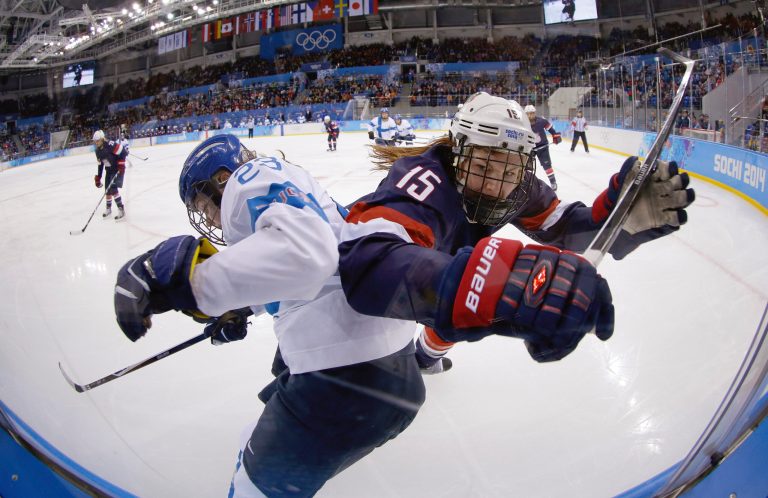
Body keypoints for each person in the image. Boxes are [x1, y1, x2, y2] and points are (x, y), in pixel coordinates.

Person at [112, 134, 426, 497]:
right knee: (255, 439)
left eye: (203, 204)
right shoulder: (282, 175)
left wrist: (198, 286)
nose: (209, 218)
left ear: (221, 177)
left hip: (346, 377)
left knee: (251, 491)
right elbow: (307, 259)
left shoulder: (248, 179)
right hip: (388, 368)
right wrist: (244, 304)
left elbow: (308, 254)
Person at [337, 91, 695, 372]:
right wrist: (484, 284)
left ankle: (425, 357)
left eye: (510, 171)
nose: (497, 185)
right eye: (482, 165)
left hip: (440, 258)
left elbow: (563, 229)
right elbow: (371, 261)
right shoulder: (424, 180)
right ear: (457, 152)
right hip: (341, 286)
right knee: (460, 297)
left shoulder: (520, 186)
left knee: (461, 305)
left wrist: (613, 220)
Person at [93, 129, 127, 220]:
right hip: (109, 170)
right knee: (107, 190)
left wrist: (121, 166)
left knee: (113, 188)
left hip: (117, 169)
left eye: (97, 141)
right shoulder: (97, 151)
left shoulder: (109, 144)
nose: (96, 143)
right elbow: (100, 165)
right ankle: (108, 209)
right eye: (95, 141)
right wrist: (98, 177)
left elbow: (123, 152)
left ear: (102, 139)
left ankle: (121, 209)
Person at [524, 104, 561, 190]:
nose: (530, 115)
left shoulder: (542, 121)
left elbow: (552, 130)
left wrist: (556, 137)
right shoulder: (523, 123)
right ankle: (525, 183)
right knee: (525, 166)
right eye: (528, 113)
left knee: (547, 165)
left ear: (535, 113)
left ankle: (553, 182)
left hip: (542, 147)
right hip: (529, 149)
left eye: (532, 113)